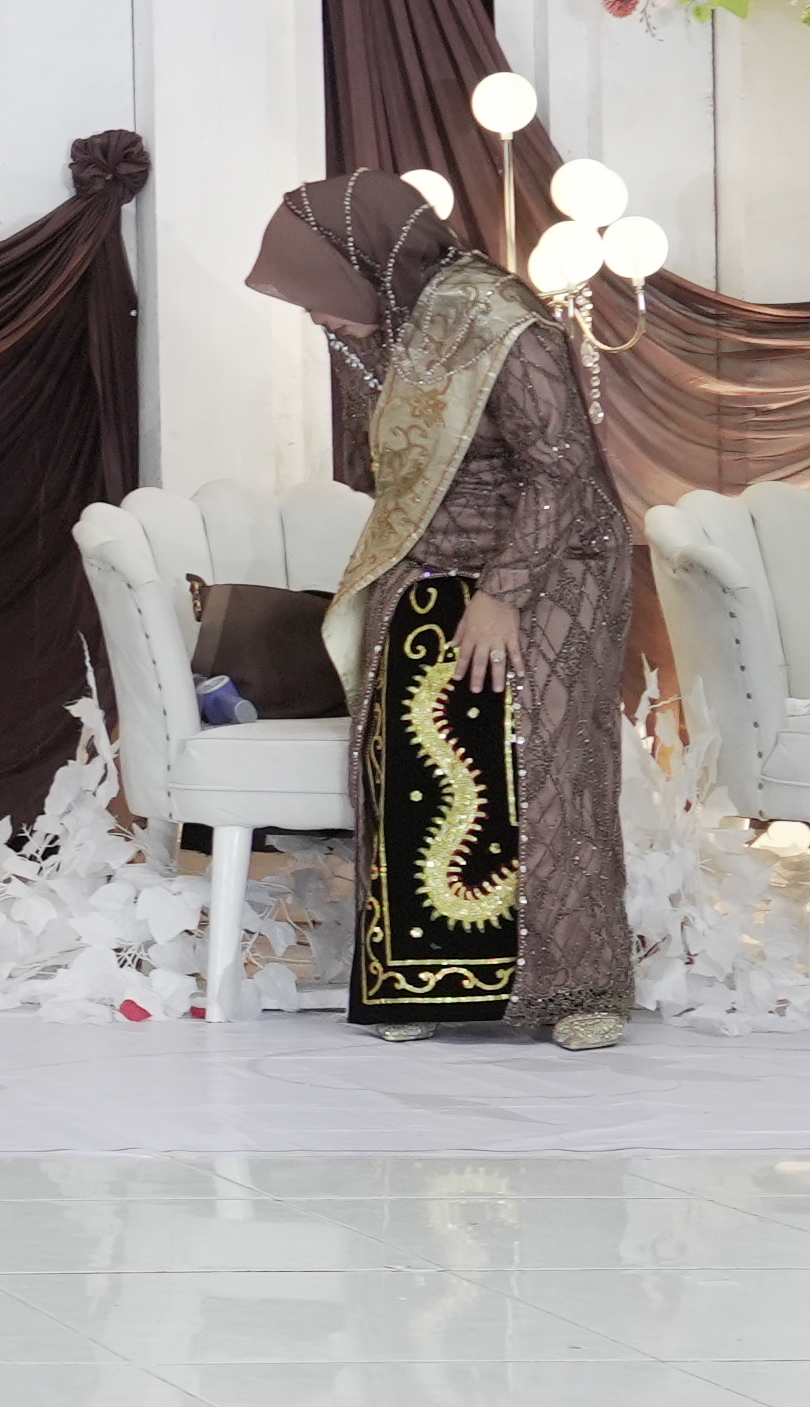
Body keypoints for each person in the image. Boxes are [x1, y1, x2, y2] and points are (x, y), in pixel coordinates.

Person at [244, 171, 630, 1046]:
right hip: (427, 556)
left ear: (366, 263)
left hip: (553, 558)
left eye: (319, 293)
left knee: (544, 757)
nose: (316, 315)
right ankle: (421, 982)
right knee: (407, 745)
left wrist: (502, 596)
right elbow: (398, 475)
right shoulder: (383, 326)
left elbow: (560, 469)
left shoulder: (498, 319)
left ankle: (580, 989)